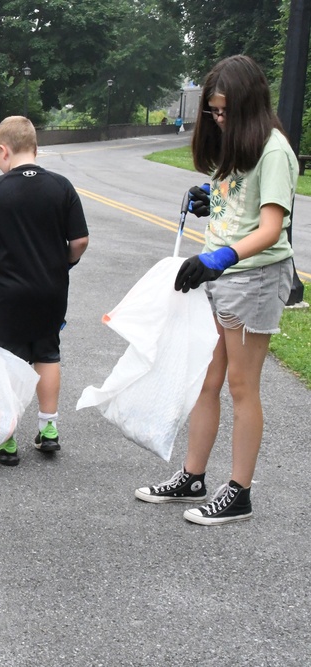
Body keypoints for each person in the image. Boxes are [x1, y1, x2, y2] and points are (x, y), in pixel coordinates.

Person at [134, 55, 296, 526]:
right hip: (219, 276)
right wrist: (212, 201)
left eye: (226, 112)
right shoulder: (235, 144)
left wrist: (222, 256)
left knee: (243, 387)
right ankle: (193, 476)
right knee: (207, 381)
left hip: (253, 277)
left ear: (249, 104)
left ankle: (240, 491)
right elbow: (238, 204)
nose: (219, 120)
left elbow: (269, 228)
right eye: (214, 112)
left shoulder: (275, 151)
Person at [0, 116, 89, 466]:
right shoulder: (62, 187)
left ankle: (6, 439)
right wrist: (63, 264)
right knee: (47, 353)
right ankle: (48, 429)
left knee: (5, 360)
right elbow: (80, 240)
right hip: (51, 292)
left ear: (3, 150)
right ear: (36, 149)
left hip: (6, 295)